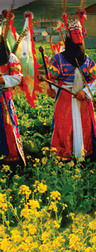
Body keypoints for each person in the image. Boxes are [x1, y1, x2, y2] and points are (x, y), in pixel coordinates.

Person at [47, 10, 96, 159]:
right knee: (64, 128)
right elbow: (53, 80)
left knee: (84, 127)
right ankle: (65, 157)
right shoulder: (57, 59)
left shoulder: (88, 60)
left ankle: (85, 155)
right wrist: (51, 89)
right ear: (69, 36)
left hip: (83, 100)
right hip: (65, 98)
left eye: (80, 33)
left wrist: (85, 92)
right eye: (76, 33)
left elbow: (95, 79)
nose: (79, 36)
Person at [0, 10, 25, 165]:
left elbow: (18, 77)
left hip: (3, 99)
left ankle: (10, 158)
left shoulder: (9, 58)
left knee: (6, 127)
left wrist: (3, 79)